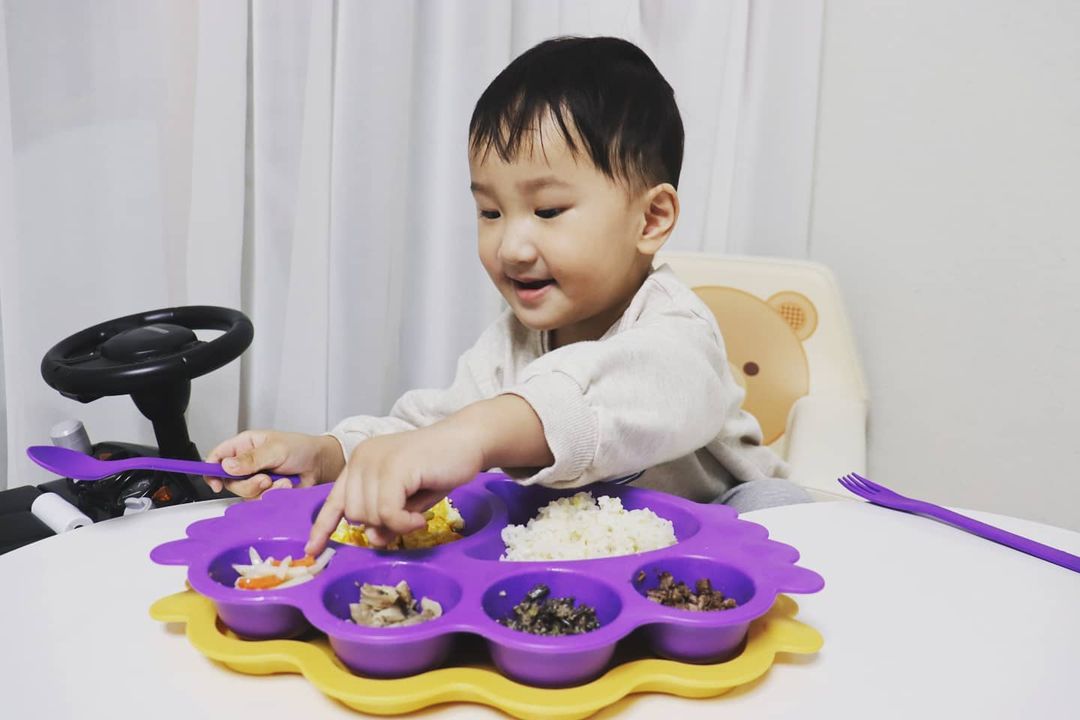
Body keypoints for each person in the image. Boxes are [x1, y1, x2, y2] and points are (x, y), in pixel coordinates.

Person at [204, 36, 811, 557]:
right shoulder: (512, 343)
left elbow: (630, 394)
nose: (513, 247)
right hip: (600, 554)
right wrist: (329, 454)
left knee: (775, 503)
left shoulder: (677, 328)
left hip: (713, 533)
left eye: (547, 210)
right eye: (490, 212)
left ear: (650, 219)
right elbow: (428, 429)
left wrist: (477, 433)